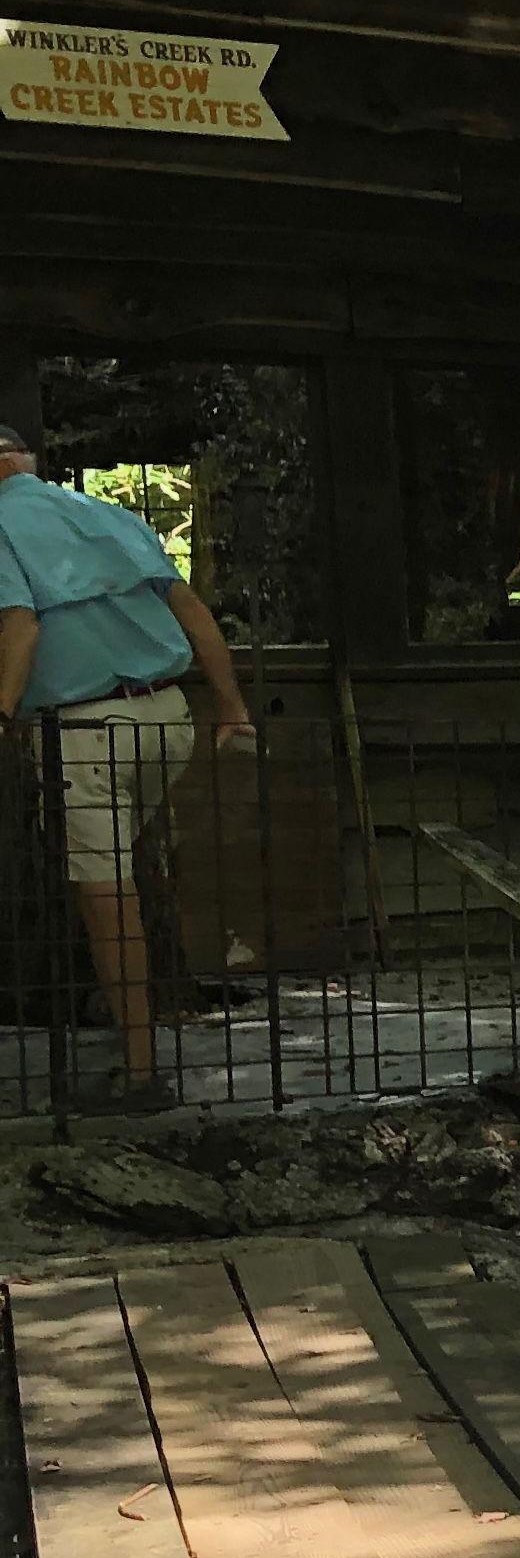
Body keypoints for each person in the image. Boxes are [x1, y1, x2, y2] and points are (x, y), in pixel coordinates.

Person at [0, 422, 255, 1108]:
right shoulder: (103, 511)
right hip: (168, 718)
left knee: (105, 892)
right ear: (24, 460)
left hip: (86, 728)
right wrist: (231, 705)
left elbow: (20, 625)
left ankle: (141, 1074)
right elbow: (189, 607)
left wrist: (1, 714)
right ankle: (127, 1022)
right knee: (119, 872)